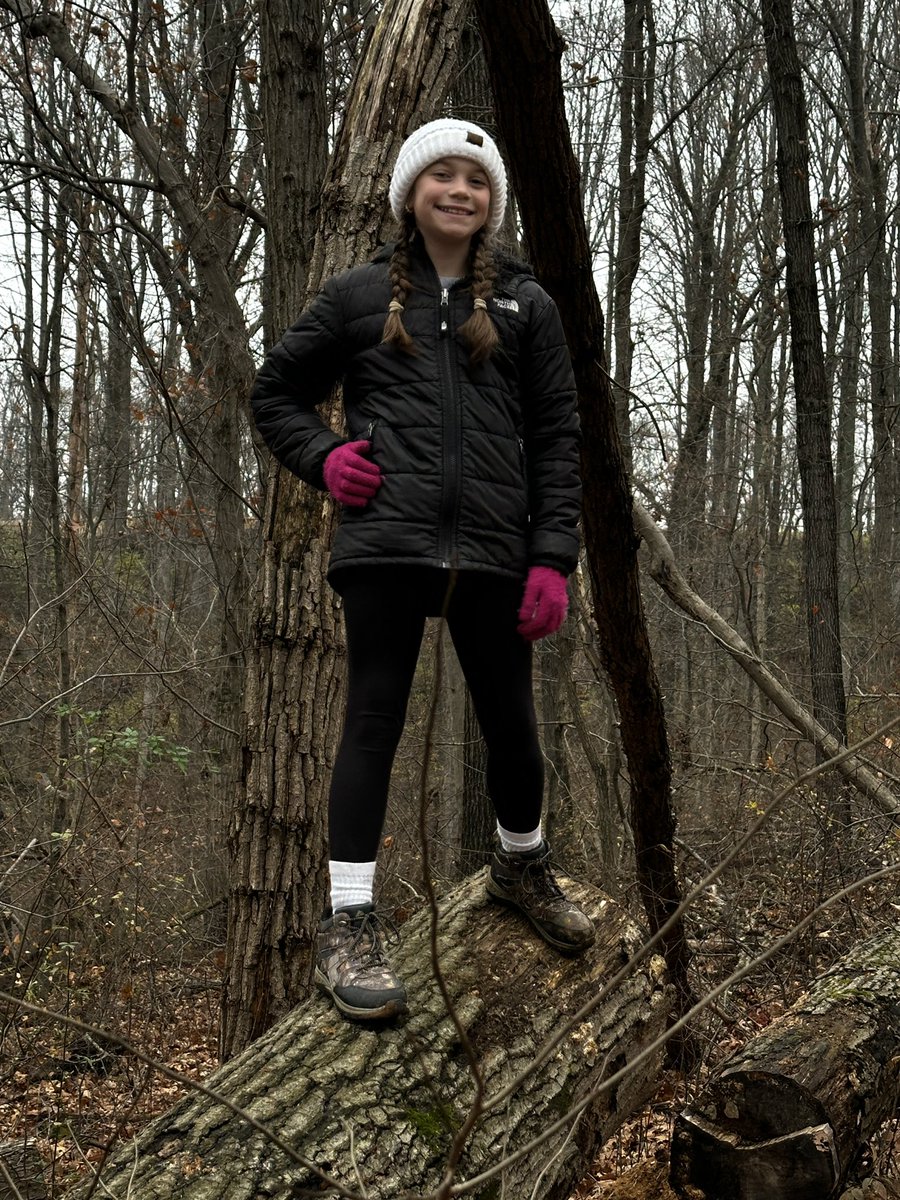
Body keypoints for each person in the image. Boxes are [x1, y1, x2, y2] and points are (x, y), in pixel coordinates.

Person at [251, 118, 594, 1023]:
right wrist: (326, 458)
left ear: (491, 203)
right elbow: (274, 393)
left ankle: (521, 865)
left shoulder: (527, 304)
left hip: (494, 549)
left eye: (476, 180)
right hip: (386, 545)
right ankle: (349, 922)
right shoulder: (358, 294)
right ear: (411, 192)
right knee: (373, 721)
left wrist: (552, 559)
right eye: (442, 175)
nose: (459, 191)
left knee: (512, 723)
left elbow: (558, 439)